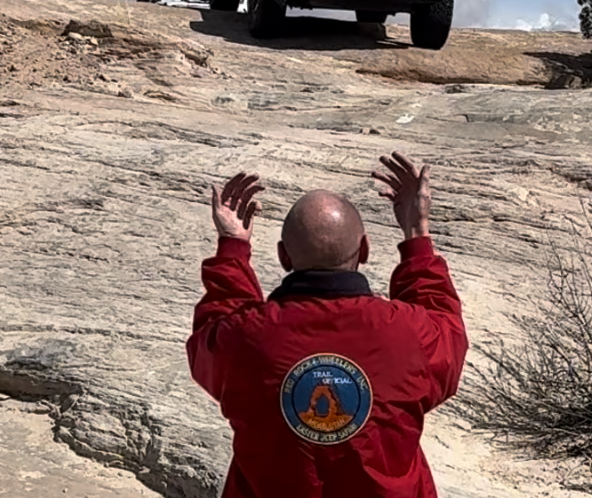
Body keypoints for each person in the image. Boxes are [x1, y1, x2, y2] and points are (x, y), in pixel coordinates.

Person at [185, 151, 469, 498]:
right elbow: (446, 331)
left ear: (283, 257)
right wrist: (416, 235)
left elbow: (214, 332)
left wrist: (233, 247)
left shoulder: (243, 340)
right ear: (364, 250)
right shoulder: (410, 335)